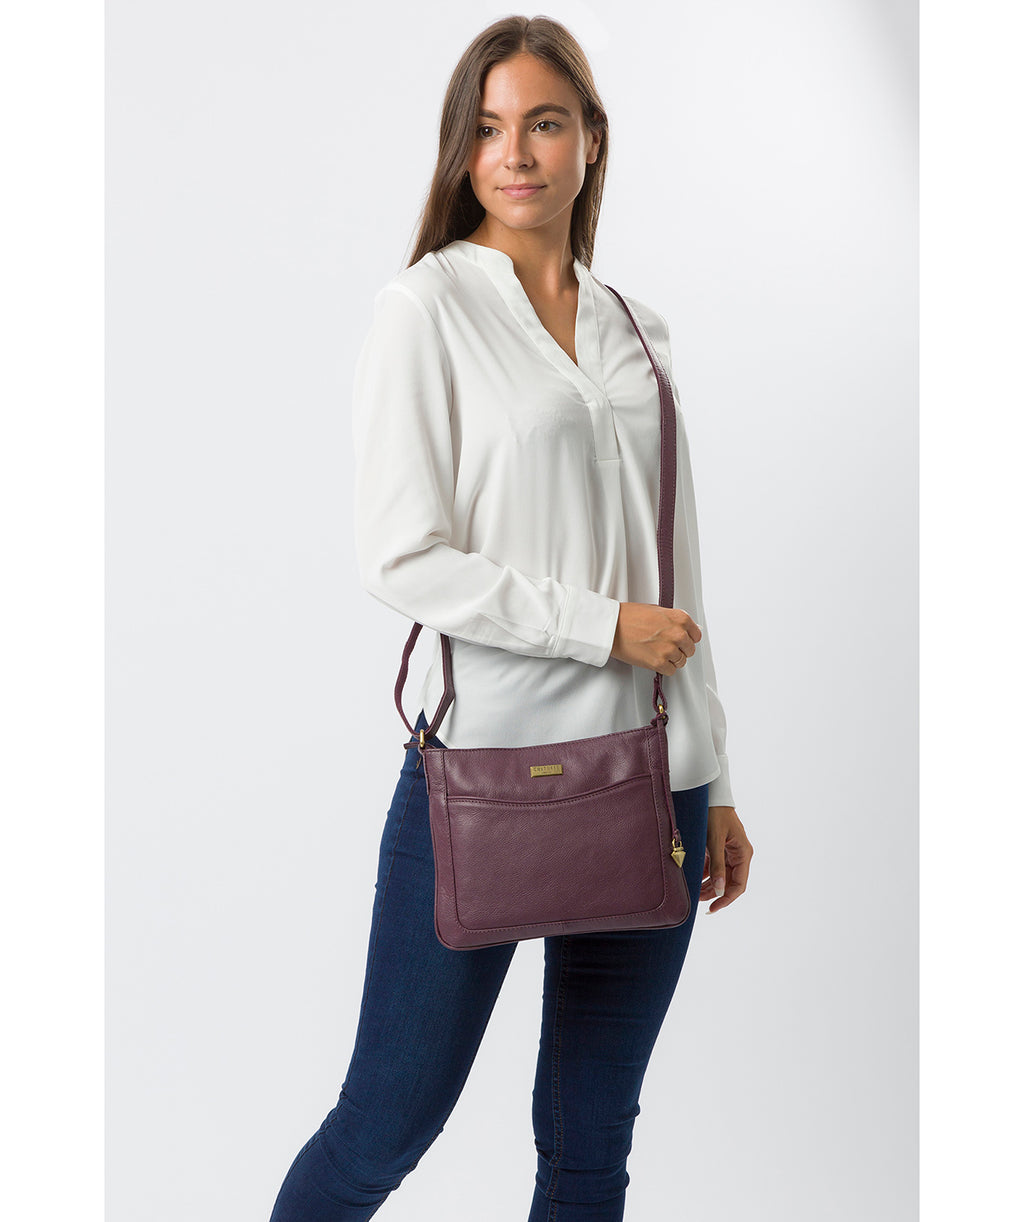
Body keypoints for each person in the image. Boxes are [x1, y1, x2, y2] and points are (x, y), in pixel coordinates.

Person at [268, 15, 753, 1222]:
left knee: (590, 1146)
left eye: (543, 122)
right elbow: (401, 555)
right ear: (461, 150)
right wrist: (600, 627)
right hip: (485, 775)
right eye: (487, 129)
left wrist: (716, 774)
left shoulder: (638, 327)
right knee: (379, 1130)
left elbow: (678, 570)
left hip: (653, 778)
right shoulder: (425, 308)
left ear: (592, 138)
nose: (516, 153)